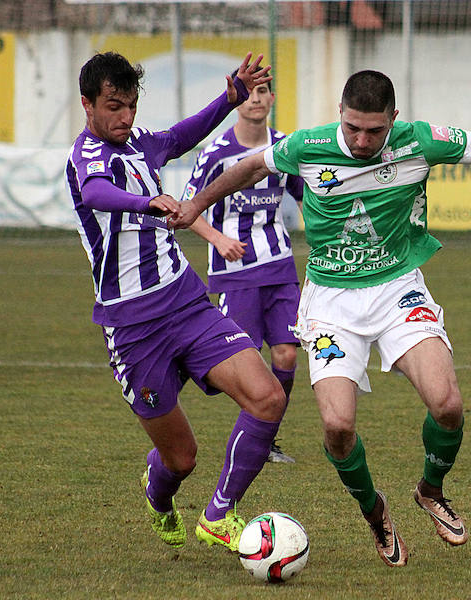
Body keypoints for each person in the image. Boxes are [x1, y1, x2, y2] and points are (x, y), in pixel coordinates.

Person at [168, 69, 471, 567]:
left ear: (394, 121)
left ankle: (430, 489)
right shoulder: (308, 145)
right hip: (331, 302)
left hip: (398, 288)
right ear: (340, 114)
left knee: (447, 404)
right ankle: (374, 510)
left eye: (374, 131)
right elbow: (249, 168)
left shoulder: (419, 141)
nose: (362, 141)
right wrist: (197, 206)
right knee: (337, 428)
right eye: (353, 128)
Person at [65, 51, 287, 553]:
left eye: (131, 106)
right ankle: (159, 497)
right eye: (114, 106)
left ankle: (218, 515)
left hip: (186, 302)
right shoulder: (87, 159)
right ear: (88, 104)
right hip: (133, 327)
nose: (125, 118)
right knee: (180, 459)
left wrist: (229, 97)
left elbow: (182, 135)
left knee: (269, 397)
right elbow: (98, 193)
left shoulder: (140, 143)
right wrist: (147, 202)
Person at [182, 71, 304, 464]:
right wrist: (218, 239)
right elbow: (188, 207)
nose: (255, 98)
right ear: (238, 101)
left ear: (272, 100)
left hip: (280, 266)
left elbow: (307, 196)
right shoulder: (216, 153)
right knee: (247, 361)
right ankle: (254, 435)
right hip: (235, 275)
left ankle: (267, 439)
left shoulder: (285, 147)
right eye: (248, 92)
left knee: (286, 355)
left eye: (263, 91)